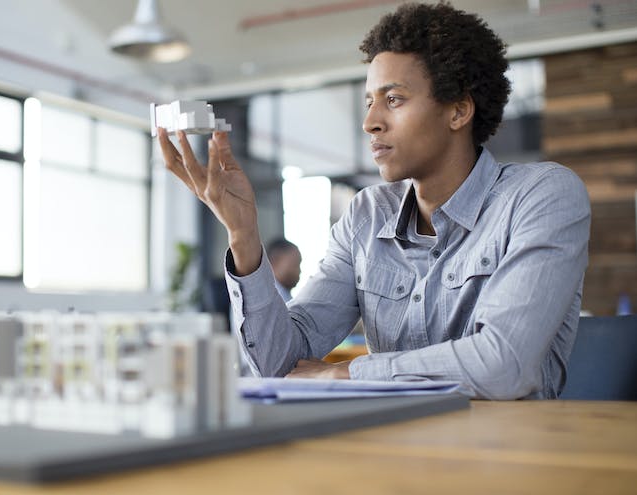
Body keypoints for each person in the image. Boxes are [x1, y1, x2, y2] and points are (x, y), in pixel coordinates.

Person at [157, 2, 590, 399]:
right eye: (369, 102)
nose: (370, 122)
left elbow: (503, 365)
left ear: (458, 111)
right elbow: (276, 365)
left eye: (393, 100)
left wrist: (348, 373)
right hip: (386, 454)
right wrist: (243, 234)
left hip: (508, 462)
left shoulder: (542, 195)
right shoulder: (366, 215)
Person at [266, 238, 302, 302]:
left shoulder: (286, 296)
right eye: (295, 265)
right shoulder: (272, 298)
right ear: (275, 262)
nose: (299, 271)